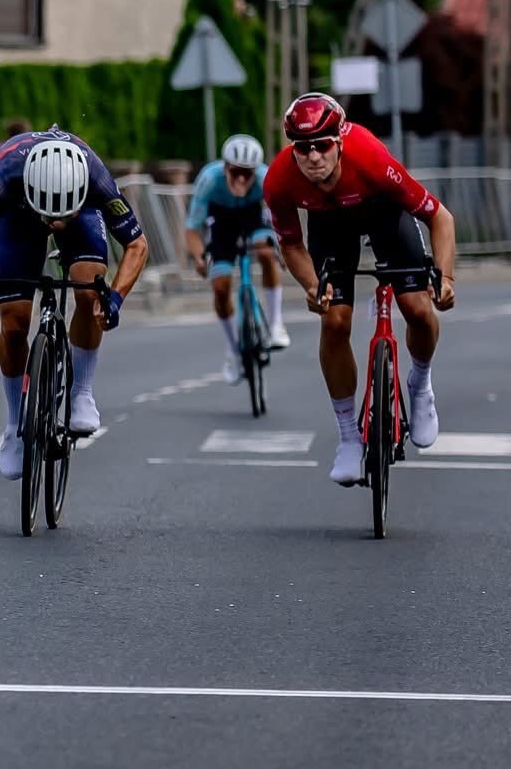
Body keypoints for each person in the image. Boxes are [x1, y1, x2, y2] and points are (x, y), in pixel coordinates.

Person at [264, 93, 457, 487]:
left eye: (322, 145)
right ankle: (349, 437)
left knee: (418, 310)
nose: (313, 156)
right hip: (329, 225)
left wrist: (445, 278)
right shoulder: (279, 179)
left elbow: (440, 216)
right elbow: (291, 244)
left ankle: (420, 385)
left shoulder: (369, 158)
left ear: (340, 140)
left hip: (383, 212)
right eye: (302, 147)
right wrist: (313, 285)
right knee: (334, 321)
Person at [0, 130, 151, 481]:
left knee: (90, 291)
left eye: (62, 216)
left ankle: (82, 393)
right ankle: (15, 425)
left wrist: (114, 298)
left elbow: (137, 245)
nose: (56, 225)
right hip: (20, 216)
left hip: (82, 213)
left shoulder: (94, 177)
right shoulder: (4, 178)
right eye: (50, 217)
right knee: (14, 322)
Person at [184, 133, 290, 384]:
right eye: (236, 172)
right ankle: (232, 350)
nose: (241, 178)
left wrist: (285, 250)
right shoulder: (209, 180)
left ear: (255, 172)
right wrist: (199, 257)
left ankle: (276, 324)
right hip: (221, 221)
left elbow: (283, 220)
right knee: (220, 287)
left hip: (253, 215)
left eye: (247, 173)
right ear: (225, 168)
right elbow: (193, 228)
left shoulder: (265, 178)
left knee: (265, 251)